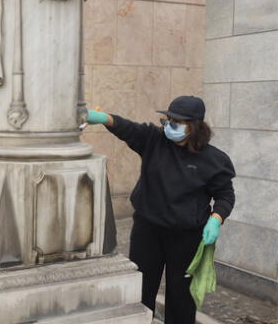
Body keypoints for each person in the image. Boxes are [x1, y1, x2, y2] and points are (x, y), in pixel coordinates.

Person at [85, 96, 235, 323]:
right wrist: (103, 118)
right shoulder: (153, 140)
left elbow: (225, 195)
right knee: (141, 289)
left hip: (186, 237)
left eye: (176, 122)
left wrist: (216, 218)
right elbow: (127, 127)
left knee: (181, 295)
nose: (169, 126)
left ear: (194, 126)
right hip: (148, 231)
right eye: (167, 120)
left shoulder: (214, 160)